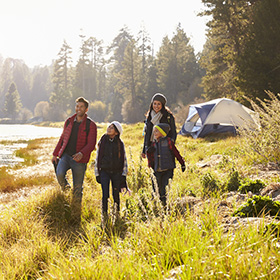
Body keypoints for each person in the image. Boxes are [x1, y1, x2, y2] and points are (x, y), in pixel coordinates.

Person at [52, 97, 97, 222]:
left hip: (80, 160)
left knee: (78, 188)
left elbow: (91, 144)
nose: (79, 109)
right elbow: (62, 139)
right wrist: (55, 154)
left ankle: (75, 215)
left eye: (81, 107)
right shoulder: (69, 121)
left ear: (86, 109)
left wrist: (82, 153)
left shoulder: (91, 125)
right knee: (60, 174)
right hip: (66, 156)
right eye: (77, 106)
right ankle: (67, 192)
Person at [94, 121, 128, 221]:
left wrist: (123, 174)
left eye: (112, 128)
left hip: (117, 172)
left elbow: (124, 159)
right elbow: (97, 158)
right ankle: (104, 214)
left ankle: (116, 213)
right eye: (109, 127)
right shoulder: (102, 141)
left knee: (116, 194)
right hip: (104, 171)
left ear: (117, 132)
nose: (109, 128)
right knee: (105, 194)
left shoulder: (120, 144)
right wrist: (97, 173)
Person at [147, 123, 186, 207]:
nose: (154, 133)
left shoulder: (168, 142)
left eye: (157, 131)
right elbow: (150, 158)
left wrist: (182, 163)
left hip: (168, 169)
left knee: (165, 189)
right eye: (154, 131)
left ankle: (165, 205)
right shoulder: (153, 144)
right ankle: (156, 205)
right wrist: (149, 154)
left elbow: (176, 153)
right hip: (157, 170)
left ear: (162, 132)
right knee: (156, 188)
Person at [142, 93, 177, 159]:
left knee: (164, 166)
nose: (156, 106)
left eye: (159, 104)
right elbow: (147, 134)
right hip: (151, 146)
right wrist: (144, 150)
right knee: (154, 167)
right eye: (154, 103)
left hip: (164, 147)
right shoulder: (149, 117)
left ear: (162, 105)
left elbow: (173, 132)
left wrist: (170, 145)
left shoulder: (168, 116)